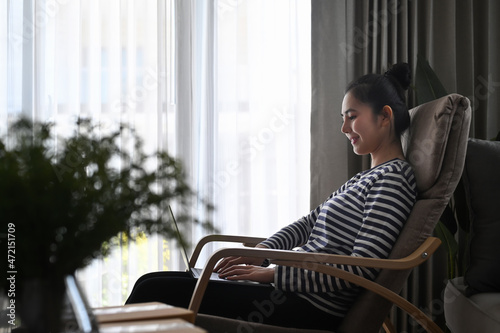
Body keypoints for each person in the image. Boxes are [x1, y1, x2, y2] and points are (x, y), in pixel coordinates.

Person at [125, 63, 417, 331]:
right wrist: (261, 252)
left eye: (351, 117)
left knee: (156, 293)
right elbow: (308, 224)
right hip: (288, 290)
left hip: (307, 306)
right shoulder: (364, 179)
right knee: (150, 282)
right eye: (343, 119)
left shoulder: (393, 181)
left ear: (385, 116)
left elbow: (360, 268)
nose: (343, 129)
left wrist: (271, 274)